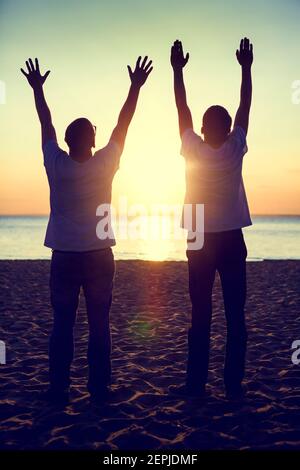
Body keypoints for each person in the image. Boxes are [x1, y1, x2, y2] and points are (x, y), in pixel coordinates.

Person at [21, 56, 153, 404]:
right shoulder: (105, 162)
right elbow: (124, 125)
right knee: (98, 324)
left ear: (68, 141)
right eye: (94, 132)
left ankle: (59, 387)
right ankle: (98, 388)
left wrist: (38, 90)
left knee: (62, 323)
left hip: (64, 256)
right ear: (92, 141)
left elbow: (45, 123)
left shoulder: (55, 162)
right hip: (97, 256)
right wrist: (135, 87)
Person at [170, 38, 253, 399]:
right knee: (235, 314)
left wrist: (177, 70)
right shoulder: (235, 147)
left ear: (204, 130)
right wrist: (246, 68)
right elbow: (244, 107)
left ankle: (195, 384)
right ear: (227, 128)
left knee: (200, 311)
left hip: (199, 236)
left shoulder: (193, 147)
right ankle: (232, 384)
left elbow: (181, 108)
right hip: (230, 235)